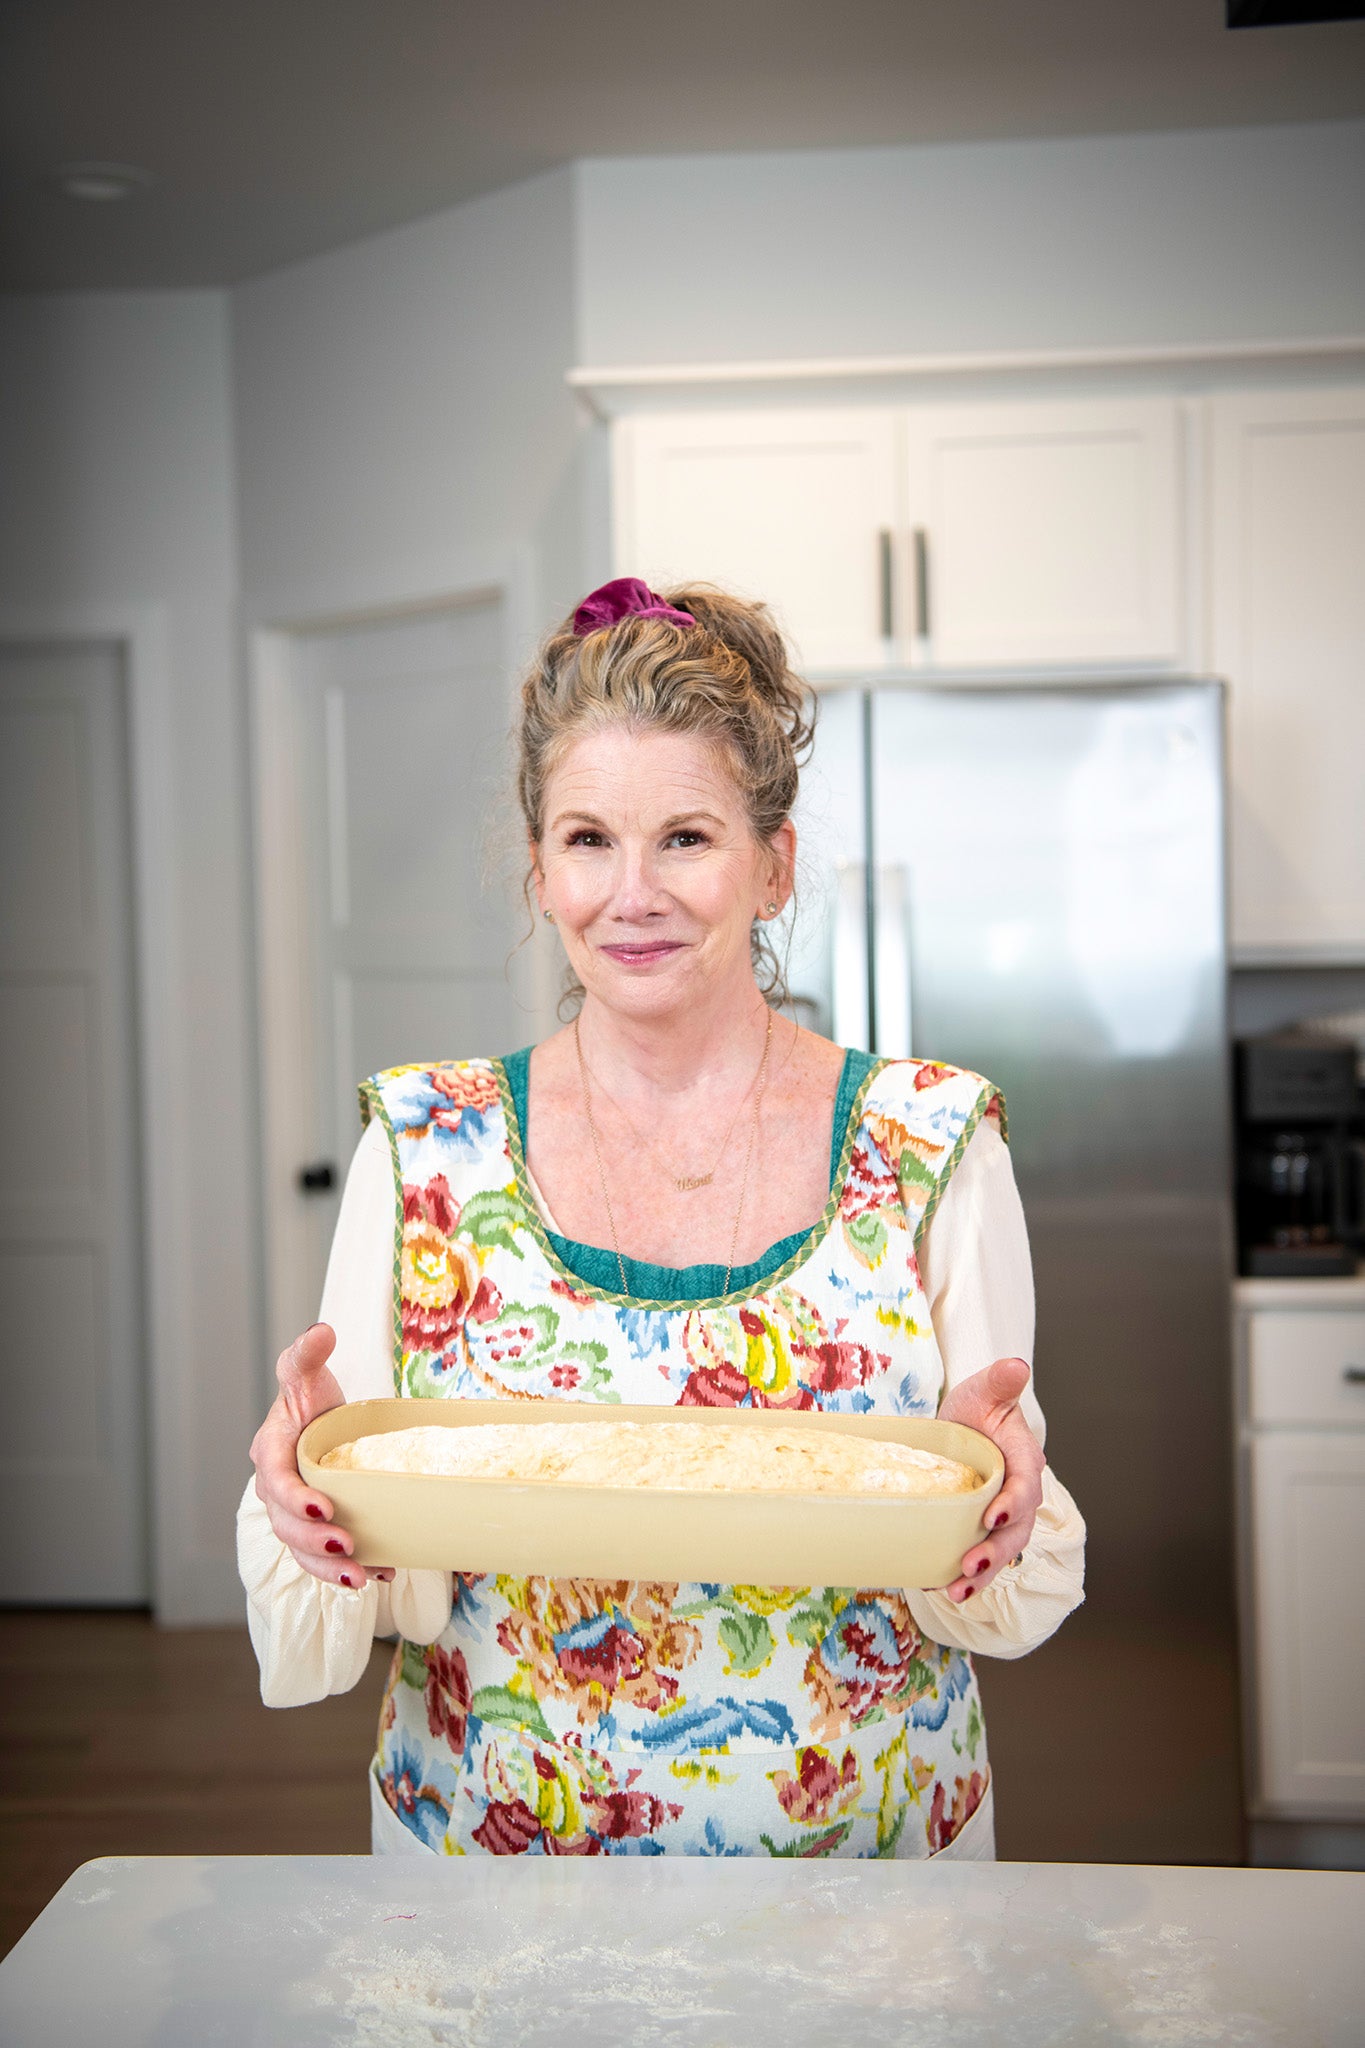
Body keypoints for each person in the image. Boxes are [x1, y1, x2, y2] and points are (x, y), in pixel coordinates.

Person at [239, 576, 1085, 1860]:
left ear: (774, 859)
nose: (631, 893)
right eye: (587, 840)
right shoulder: (423, 1148)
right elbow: (357, 1586)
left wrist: (994, 1499)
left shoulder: (929, 1144)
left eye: (685, 837)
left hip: (874, 1900)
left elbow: (997, 1579)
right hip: (493, 1891)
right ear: (538, 865)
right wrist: (304, 1500)